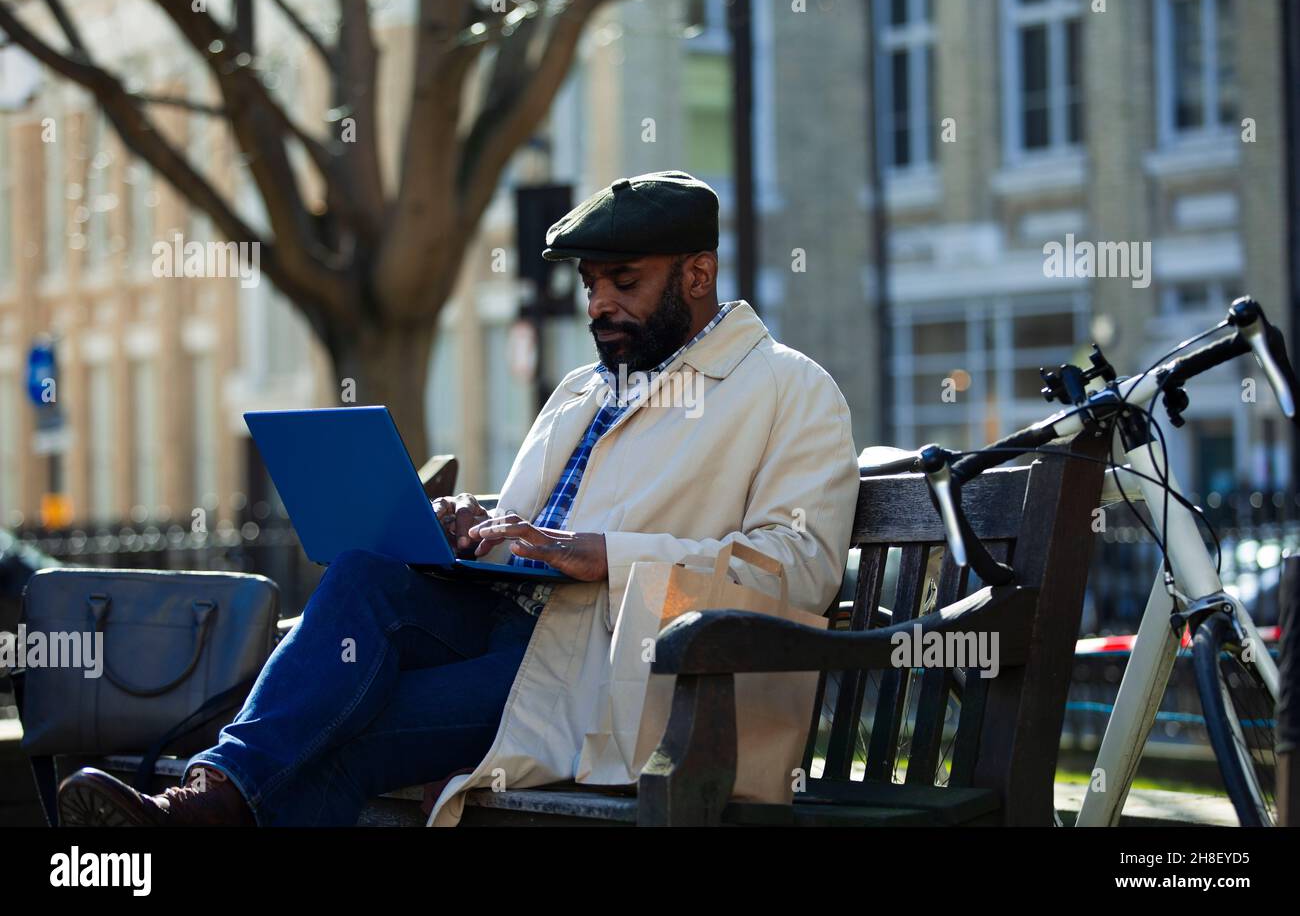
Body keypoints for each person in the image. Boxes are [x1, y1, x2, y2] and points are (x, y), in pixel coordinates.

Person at [56, 170, 861, 826]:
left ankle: (199, 806)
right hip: (503, 625)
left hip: (614, 672)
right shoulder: (583, 389)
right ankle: (207, 798)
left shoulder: (788, 389)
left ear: (698, 274)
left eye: (624, 282)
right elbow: (534, 533)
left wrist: (611, 557)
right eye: (589, 284)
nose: (598, 305)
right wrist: (470, 525)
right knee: (366, 570)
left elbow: (800, 569)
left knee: (339, 734)